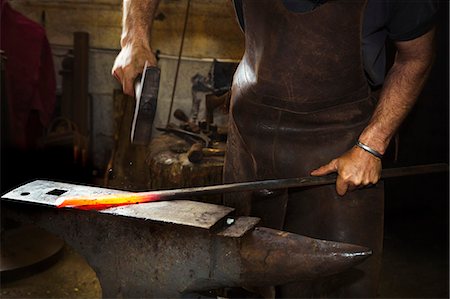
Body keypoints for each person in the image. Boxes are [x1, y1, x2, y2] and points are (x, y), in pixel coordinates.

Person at [112, 0, 437, 297]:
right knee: (244, 280)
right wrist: (133, 37)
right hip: (250, 141)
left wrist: (372, 144)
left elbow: (416, 56)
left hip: (339, 152)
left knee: (335, 286)